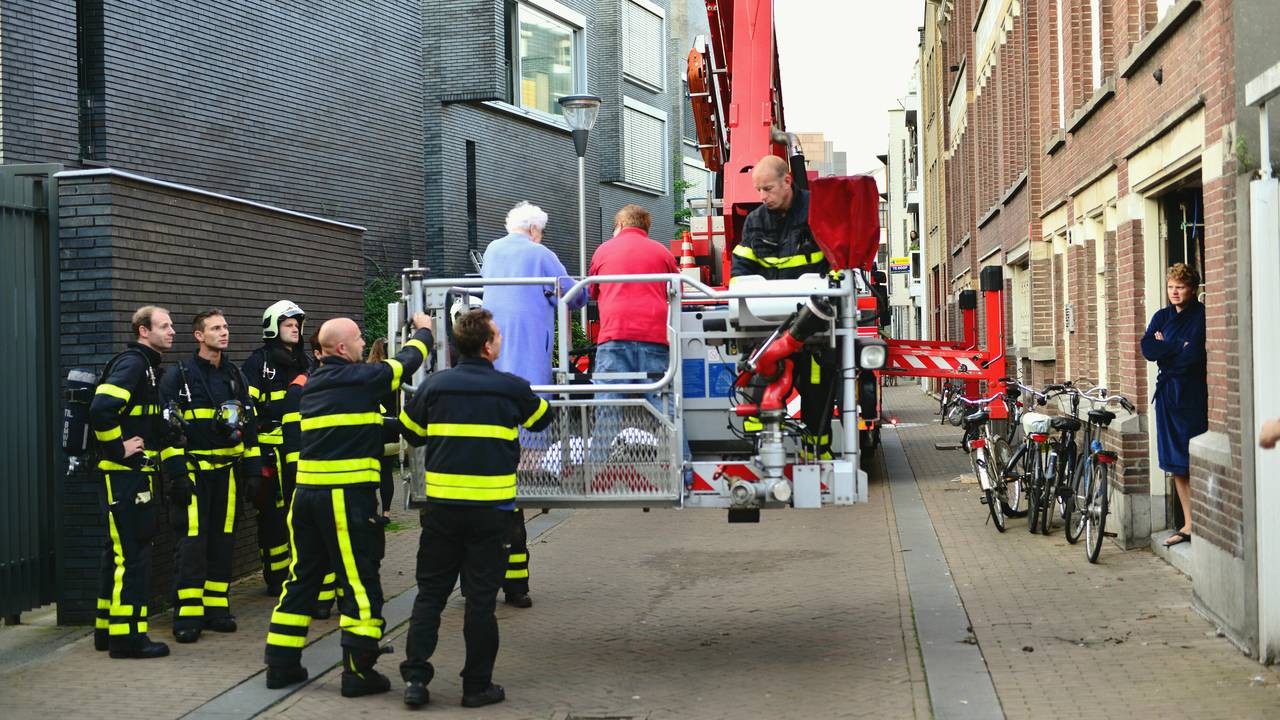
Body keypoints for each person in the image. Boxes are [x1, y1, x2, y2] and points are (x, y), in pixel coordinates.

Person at [262, 313, 433, 697]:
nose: (363, 343)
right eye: (358, 338)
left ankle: (281, 664)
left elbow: (365, 425)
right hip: (343, 499)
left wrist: (409, 426)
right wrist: (425, 329)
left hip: (306, 499)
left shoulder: (315, 383)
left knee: (302, 580)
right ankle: (358, 672)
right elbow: (405, 362)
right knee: (359, 582)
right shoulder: (358, 379)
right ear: (342, 347)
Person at [397, 308, 555, 709]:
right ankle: (476, 687)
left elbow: (411, 431)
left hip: (442, 511)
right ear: (487, 346)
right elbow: (542, 420)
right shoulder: (510, 387)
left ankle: (415, 680)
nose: (500, 340)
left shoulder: (434, 385)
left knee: (430, 595)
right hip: (491, 513)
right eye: (497, 335)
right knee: (481, 602)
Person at [480, 201, 583, 609]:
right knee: (532, 398)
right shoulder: (540, 253)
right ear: (536, 230)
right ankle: (532, 460)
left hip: (496, 346)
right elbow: (574, 293)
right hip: (529, 346)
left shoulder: (492, 250)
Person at [158, 309, 263, 643]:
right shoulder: (179, 376)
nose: (224, 332)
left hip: (228, 475)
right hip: (193, 474)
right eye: (216, 328)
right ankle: (188, 615)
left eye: (226, 327)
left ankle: (217, 608)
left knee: (223, 540)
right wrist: (177, 475)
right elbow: (166, 430)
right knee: (192, 543)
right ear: (199, 336)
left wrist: (253, 471)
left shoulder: (235, 375)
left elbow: (249, 425)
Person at [731, 154, 839, 460]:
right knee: (756, 390)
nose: (762, 197)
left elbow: (837, 262)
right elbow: (741, 269)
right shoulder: (755, 222)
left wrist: (829, 294)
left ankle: (817, 453)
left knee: (817, 392)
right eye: (758, 190)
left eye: (767, 189)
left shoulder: (818, 213)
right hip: (766, 327)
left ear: (787, 181)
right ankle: (761, 453)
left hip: (814, 328)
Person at [89, 305, 176, 659]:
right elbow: (101, 409)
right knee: (134, 555)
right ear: (143, 331)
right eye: (164, 326)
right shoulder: (134, 364)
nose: (172, 331)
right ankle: (128, 638)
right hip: (126, 477)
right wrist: (118, 448)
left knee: (119, 554)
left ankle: (107, 630)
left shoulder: (146, 366)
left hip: (129, 476)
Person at [587, 204, 690, 472]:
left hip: (614, 336)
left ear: (620, 225)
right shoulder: (661, 251)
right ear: (646, 227)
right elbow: (678, 290)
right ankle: (684, 472)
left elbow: (592, 292)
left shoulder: (603, 250)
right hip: (653, 337)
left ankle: (595, 474)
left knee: (608, 405)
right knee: (665, 406)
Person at [243, 300, 311, 595]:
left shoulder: (307, 363)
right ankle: (275, 577)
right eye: (288, 324)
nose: (295, 329)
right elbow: (248, 409)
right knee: (271, 518)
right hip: (270, 455)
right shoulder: (258, 363)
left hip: (302, 452)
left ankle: (301, 573)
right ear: (273, 327)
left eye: (297, 324)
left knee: (302, 515)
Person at [1141, 263, 1207, 548]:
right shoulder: (1161, 316)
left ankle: (1204, 521)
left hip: (1191, 395)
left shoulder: (1202, 316)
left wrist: (1165, 347)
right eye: (1170, 287)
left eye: (1180, 287)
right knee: (1176, 461)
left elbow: (1194, 356)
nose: (1174, 292)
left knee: (1193, 457)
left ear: (1192, 289)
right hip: (1167, 395)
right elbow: (1147, 348)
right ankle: (1189, 523)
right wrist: (1176, 346)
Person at [278, 327, 338, 620]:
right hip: (311, 480)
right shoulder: (299, 388)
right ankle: (320, 599)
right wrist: (296, 478)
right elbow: (293, 440)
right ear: (317, 354)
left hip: (342, 478)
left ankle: (338, 597)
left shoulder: (347, 382)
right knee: (315, 544)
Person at [366, 338, 399, 523]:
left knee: (370, 473)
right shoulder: (394, 375)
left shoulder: (367, 373)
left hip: (371, 429)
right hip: (391, 430)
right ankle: (386, 513)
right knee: (386, 472)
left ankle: (372, 511)